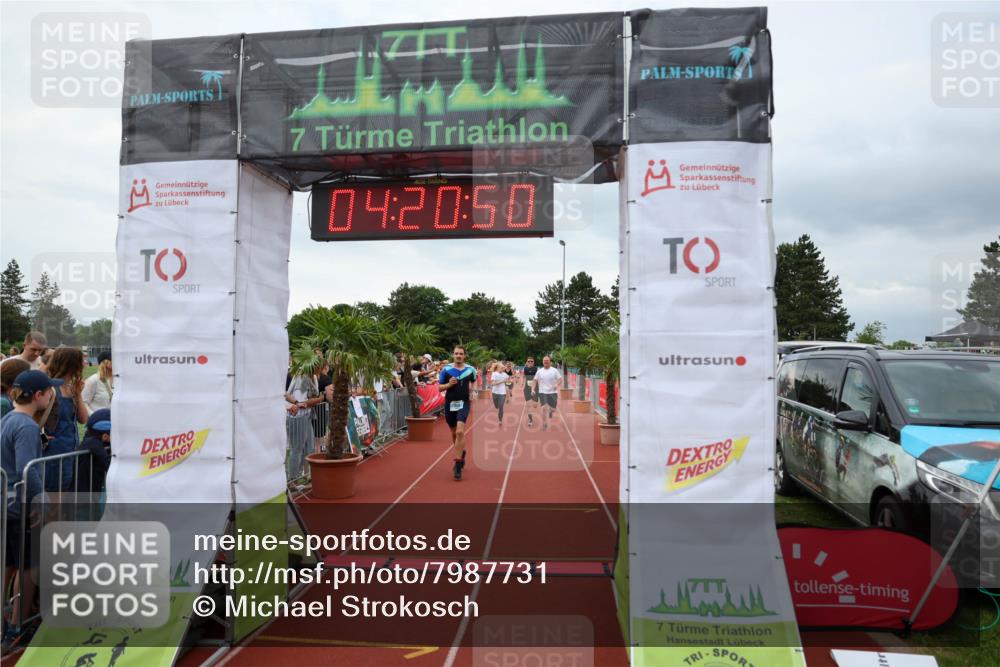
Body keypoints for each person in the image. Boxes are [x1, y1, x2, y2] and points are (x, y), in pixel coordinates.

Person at [2, 370, 60, 650]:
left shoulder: (7, 419)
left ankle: (8, 622)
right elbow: (29, 469)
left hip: (8, 502)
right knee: (28, 567)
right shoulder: (25, 426)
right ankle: (17, 626)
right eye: (50, 391)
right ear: (38, 395)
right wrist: (42, 501)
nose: (52, 396)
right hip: (21, 505)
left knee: (9, 563)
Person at [42, 347, 89, 491]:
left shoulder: (70, 388)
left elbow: (83, 419)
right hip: (54, 452)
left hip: (70, 451)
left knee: (64, 496)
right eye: (82, 361)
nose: (85, 364)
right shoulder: (50, 388)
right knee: (54, 497)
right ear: (72, 364)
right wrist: (40, 436)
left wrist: (78, 395)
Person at [438, 345, 477, 480]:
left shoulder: (470, 369)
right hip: (449, 403)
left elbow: (474, 382)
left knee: (460, 432)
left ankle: (458, 464)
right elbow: (439, 388)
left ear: (464, 355)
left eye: (461, 354)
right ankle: (461, 452)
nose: (458, 356)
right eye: (456, 353)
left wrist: (474, 392)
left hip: (464, 403)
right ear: (453, 355)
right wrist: (448, 385)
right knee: (454, 433)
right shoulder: (446, 370)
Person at [284, 369, 323, 481]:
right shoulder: (302, 378)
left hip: (306, 416)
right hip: (297, 417)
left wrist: (316, 400)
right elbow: (301, 403)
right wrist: (318, 399)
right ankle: (293, 479)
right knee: (296, 449)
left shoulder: (313, 377)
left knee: (310, 447)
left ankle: (303, 475)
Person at [75, 408, 111, 498]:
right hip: (83, 495)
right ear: (105, 436)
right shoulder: (93, 443)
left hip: (90, 490)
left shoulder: (93, 440)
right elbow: (108, 463)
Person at [533, 355, 563, 431]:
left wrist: (557, 384)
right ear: (543, 362)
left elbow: (560, 379)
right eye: (544, 361)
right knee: (543, 408)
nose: (545, 362)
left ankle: (550, 411)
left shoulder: (554, 370)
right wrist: (533, 389)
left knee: (553, 409)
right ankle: (544, 423)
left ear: (550, 362)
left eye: (547, 361)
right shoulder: (539, 371)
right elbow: (535, 380)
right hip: (543, 392)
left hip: (553, 392)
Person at [489, 362, 509, 426]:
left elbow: (508, 383)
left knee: (501, 406)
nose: (503, 368)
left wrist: (508, 397)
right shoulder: (494, 374)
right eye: (502, 367)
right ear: (498, 368)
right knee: (496, 406)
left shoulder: (505, 375)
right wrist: (502, 381)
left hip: (502, 393)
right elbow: (493, 383)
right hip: (495, 392)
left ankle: (500, 420)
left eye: (503, 367)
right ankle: (497, 406)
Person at [522, 356, 540, 426]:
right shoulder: (525, 368)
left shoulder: (536, 369)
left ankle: (536, 401)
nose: (530, 362)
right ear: (527, 362)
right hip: (527, 388)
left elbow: (539, 378)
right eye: (528, 361)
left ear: (533, 362)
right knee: (528, 405)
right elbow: (524, 376)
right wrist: (523, 383)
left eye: (531, 361)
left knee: (535, 405)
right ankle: (530, 419)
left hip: (535, 388)